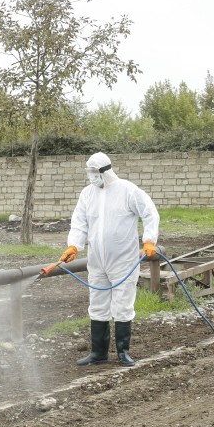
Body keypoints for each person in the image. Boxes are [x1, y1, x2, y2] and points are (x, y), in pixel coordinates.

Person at [58, 152, 159, 367]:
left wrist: (149, 240)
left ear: (105, 171)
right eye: (89, 173)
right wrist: (74, 245)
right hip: (97, 260)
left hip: (123, 259)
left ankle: (123, 352)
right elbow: (79, 222)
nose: (91, 177)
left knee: (122, 304)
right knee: (97, 304)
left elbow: (149, 213)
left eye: (94, 173)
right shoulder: (87, 194)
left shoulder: (127, 190)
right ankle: (98, 352)